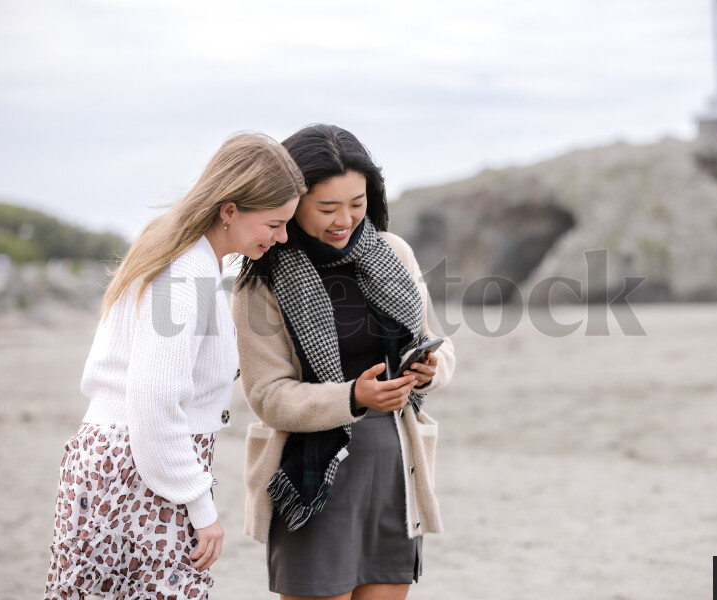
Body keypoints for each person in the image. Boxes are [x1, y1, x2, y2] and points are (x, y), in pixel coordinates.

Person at [44, 132, 306, 600]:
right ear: (230, 210)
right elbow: (154, 398)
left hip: (118, 464)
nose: (282, 236)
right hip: (136, 472)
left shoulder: (181, 254)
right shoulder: (186, 272)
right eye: (274, 223)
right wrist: (201, 506)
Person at [232, 124, 455, 600]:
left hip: (396, 469)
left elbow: (436, 341)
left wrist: (430, 370)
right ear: (292, 203)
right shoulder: (261, 281)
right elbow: (268, 397)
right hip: (314, 479)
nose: (345, 219)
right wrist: (353, 396)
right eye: (328, 208)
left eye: (357, 204)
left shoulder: (393, 252)